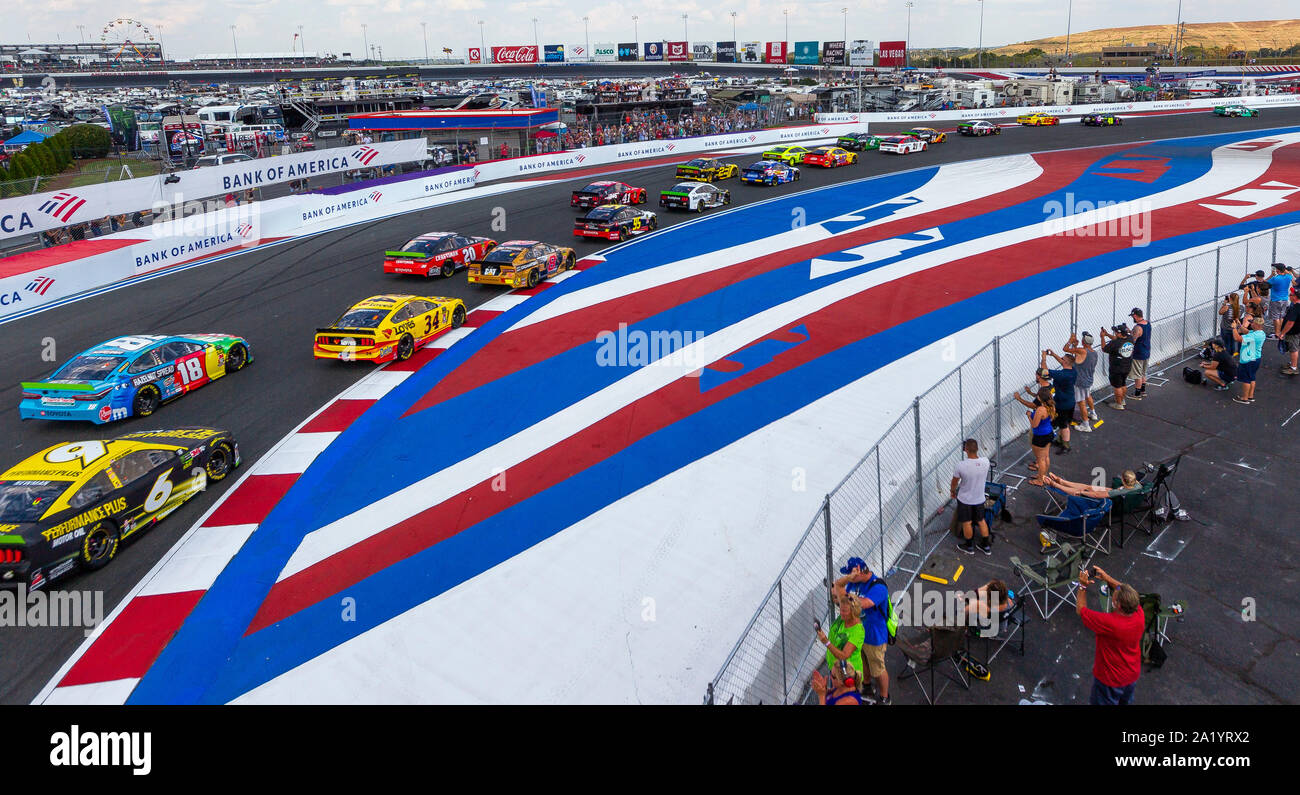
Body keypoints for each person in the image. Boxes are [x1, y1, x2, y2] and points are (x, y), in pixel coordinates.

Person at [1077, 566, 1145, 705]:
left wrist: (1082, 586)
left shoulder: (1110, 623)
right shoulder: (1139, 614)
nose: (1114, 591)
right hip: (1131, 675)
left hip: (1110, 680)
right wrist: (1107, 578)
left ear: (1118, 605)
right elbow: (1122, 589)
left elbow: (1081, 610)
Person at [833, 560, 891, 704]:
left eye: (850, 573)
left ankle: (885, 697)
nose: (848, 576)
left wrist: (843, 597)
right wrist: (843, 587)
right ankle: (867, 685)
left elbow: (864, 604)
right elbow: (840, 590)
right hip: (860, 634)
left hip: (874, 637)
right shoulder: (854, 583)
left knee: (878, 669)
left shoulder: (878, 587)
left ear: (859, 570)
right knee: (863, 663)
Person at [816, 584, 864, 692]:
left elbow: (844, 655)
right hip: (836, 668)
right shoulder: (845, 618)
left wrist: (826, 642)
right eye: (840, 609)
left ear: (853, 612)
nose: (840, 613)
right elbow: (838, 588)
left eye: (844, 611)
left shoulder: (857, 632)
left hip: (846, 674)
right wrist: (835, 586)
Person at [950, 438, 991, 555]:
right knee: (981, 520)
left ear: (965, 449)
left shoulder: (961, 466)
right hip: (979, 498)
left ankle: (969, 546)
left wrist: (952, 491)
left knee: (967, 522)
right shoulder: (985, 462)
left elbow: (954, 482)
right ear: (977, 448)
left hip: (965, 499)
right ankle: (986, 546)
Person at [1013, 386, 1055, 486]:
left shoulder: (1041, 409)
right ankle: (1042, 475)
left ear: (1040, 398)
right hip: (1049, 432)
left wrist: (1029, 415)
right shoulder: (1051, 406)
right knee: (1046, 456)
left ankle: (1040, 480)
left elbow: (1034, 425)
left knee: (1040, 459)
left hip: (1040, 435)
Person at [1042, 345, 1077, 452]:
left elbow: (1044, 371)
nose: (1061, 360)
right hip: (1070, 401)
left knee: (1063, 425)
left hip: (1062, 404)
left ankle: (1066, 445)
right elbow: (1063, 363)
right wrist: (1053, 354)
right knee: (1064, 423)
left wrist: (1044, 357)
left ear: (1066, 362)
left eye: (1063, 359)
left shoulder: (1062, 374)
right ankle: (1061, 440)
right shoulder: (1073, 371)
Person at [1043, 470, 1141, 500]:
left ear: (1124, 481)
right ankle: (1062, 482)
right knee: (1090, 487)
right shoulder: (1138, 486)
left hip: (1111, 501)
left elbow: (1096, 495)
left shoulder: (1118, 491)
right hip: (1119, 495)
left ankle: (1055, 484)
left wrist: (1082, 492)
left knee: (1084, 492)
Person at [1099, 324, 1133, 409]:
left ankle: (1118, 404)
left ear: (1120, 333)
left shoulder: (1115, 343)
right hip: (1127, 365)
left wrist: (1102, 337)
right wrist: (1107, 334)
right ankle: (1122, 400)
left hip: (1117, 368)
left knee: (1117, 386)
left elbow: (1104, 348)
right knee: (1123, 383)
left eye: (1115, 332)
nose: (1114, 333)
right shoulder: (1130, 338)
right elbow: (1117, 339)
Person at [1233, 317, 1266, 404]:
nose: (1251, 324)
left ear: (1257, 325)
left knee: (1246, 379)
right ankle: (1250, 396)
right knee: (1252, 377)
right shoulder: (1260, 333)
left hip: (1248, 360)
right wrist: (1239, 325)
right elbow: (1246, 331)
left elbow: (1237, 338)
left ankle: (1244, 398)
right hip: (1256, 359)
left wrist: (1233, 328)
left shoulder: (1254, 336)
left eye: (1252, 323)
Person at [1072, 331, 1100, 432]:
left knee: (1081, 403)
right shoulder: (1094, 353)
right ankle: (1093, 413)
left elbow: (1066, 349)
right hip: (1089, 379)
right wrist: (1075, 345)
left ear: (1083, 342)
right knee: (1088, 396)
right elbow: (1079, 356)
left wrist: (1071, 341)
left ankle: (1085, 424)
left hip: (1080, 382)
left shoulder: (1083, 351)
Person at [1264, 263, 1295, 338]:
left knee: (1276, 318)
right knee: (1281, 316)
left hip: (1275, 300)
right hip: (1285, 299)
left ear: (1277, 270)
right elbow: (1289, 274)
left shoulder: (1275, 278)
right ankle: (1280, 332)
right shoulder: (1289, 276)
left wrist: (1271, 275)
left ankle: (1277, 333)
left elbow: (1264, 283)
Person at [1128, 308, 1151, 399]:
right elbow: (1140, 334)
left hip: (1138, 354)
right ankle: (1143, 391)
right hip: (1146, 351)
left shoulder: (1137, 327)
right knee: (1143, 373)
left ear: (1135, 316)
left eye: (1132, 316)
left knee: (1137, 375)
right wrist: (1130, 331)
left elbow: (1133, 340)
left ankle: (1137, 394)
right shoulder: (1147, 323)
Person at [1279, 289, 1300, 376]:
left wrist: (1282, 333)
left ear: (1295, 297)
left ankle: (1293, 368)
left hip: (1293, 332)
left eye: (1291, 295)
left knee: (1293, 349)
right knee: (1294, 348)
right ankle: (1292, 363)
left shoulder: (1296, 308)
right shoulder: (1296, 306)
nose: (1289, 296)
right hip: (1296, 332)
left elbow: (1290, 322)